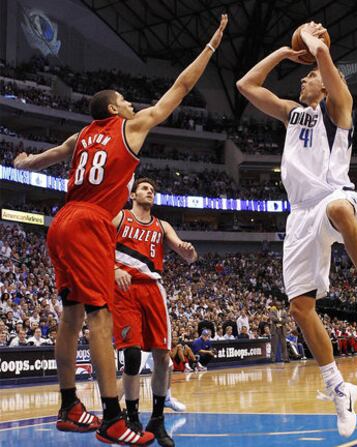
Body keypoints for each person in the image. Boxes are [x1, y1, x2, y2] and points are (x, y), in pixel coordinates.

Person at [13, 13, 227, 446]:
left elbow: (52, 154)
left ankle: (70, 405)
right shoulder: (130, 127)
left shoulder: (81, 136)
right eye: (126, 100)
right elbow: (180, 88)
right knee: (100, 318)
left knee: (70, 317)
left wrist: (24, 163)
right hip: (91, 222)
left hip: (62, 220)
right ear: (114, 109)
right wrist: (211, 46)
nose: (132, 104)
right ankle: (112, 418)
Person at [237, 21, 357, 438]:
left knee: (343, 211)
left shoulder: (338, 108)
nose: (305, 77)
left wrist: (315, 45)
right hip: (300, 215)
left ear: (324, 86)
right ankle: (337, 388)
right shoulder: (294, 114)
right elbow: (245, 85)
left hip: (333, 195)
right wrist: (285, 53)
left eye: (309, 75)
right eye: (305, 74)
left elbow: (326, 64)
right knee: (300, 308)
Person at [112, 177, 199, 447]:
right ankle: (133, 418)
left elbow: (186, 254)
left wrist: (188, 252)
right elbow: (97, 244)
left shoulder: (162, 225)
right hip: (125, 288)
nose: (150, 192)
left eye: (153, 190)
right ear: (133, 195)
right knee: (133, 354)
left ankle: (157, 420)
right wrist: (113, 269)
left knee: (162, 358)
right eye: (145, 189)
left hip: (153, 289)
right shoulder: (120, 217)